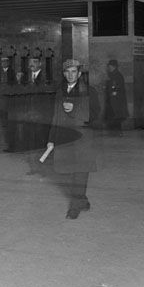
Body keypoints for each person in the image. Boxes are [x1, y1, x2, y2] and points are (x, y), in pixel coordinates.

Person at [45, 58, 100, 219]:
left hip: (83, 140)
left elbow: (96, 116)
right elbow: (55, 116)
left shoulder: (90, 91)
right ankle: (81, 200)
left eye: (74, 71)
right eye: (67, 72)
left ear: (79, 73)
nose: (70, 75)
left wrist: (75, 109)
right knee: (70, 172)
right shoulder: (60, 92)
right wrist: (51, 139)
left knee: (80, 172)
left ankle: (74, 208)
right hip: (65, 139)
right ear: (64, 73)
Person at [102, 59, 128, 136]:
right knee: (114, 117)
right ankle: (115, 132)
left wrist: (112, 93)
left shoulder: (116, 75)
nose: (108, 67)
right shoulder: (114, 74)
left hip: (115, 100)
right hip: (113, 100)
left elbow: (116, 88)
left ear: (113, 66)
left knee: (115, 117)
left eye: (109, 66)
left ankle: (117, 132)